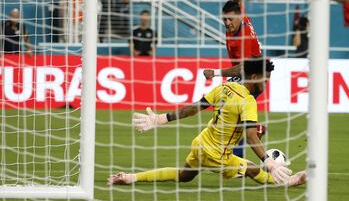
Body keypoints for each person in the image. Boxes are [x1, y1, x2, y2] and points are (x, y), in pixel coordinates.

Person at [107, 59, 307, 187]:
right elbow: (251, 135)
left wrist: (161, 119)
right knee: (252, 168)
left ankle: (131, 177)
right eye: (265, 79)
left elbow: (195, 107)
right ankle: (288, 181)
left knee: (185, 176)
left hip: (201, 142)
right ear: (254, 77)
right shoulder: (248, 101)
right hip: (217, 155)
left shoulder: (225, 87)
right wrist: (268, 162)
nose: (266, 83)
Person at [202, 0, 264, 158]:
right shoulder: (241, 16)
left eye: (230, 20)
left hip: (252, 77)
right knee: (230, 115)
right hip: (248, 74)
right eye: (224, 20)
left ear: (237, 17)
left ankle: (238, 157)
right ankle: (252, 137)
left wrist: (216, 73)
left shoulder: (242, 39)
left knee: (230, 114)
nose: (227, 23)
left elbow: (241, 68)